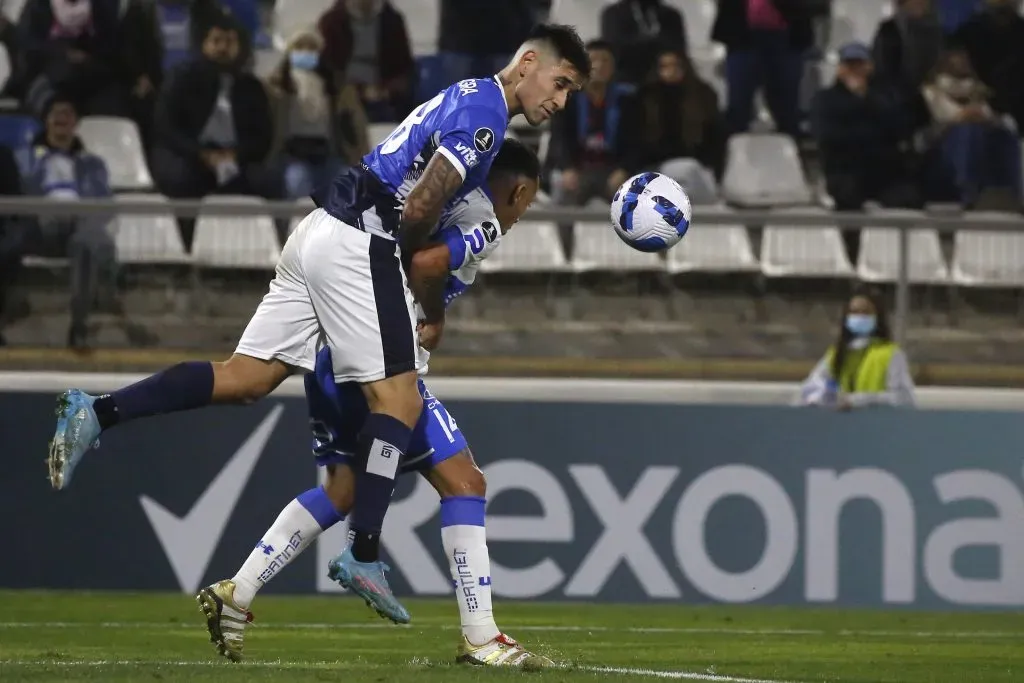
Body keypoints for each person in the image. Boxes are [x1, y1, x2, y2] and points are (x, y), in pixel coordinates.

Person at [49, 23, 590, 626]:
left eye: (571, 93)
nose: (560, 101)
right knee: (400, 399)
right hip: (362, 239)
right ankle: (362, 554)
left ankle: (98, 412)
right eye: (561, 83)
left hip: (319, 231)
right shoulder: (487, 115)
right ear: (529, 61)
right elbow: (418, 206)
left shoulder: (465, 94)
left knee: (245, 378)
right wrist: (393, 264)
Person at [196, 139, 545, 668]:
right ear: (518, 191)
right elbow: (427, 264)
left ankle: (236, 594)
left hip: (331, 354)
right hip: (375, 361)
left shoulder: (435, 196)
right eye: (527, 203)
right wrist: (435, 314)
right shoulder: (483, 220)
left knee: (341, 491)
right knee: (465, 483)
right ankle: (481, 636)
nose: (522, 215)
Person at [17, 93, 117, 349]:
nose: (61, 117)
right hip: (41, 227)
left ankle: (79, 326)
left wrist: (82, 215)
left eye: (68, 113)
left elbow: (104, 204)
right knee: (90, 236)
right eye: (55, 113)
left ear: (76, 123)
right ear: (46, 121)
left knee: (86, 239)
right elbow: (20, 197)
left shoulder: (93, 164)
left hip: (79, 225)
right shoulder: (26, 159)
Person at [265, 29, 370, 200]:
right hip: (293, 154)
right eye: (300, 46)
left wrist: (360, 157)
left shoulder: (337, 87)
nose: (306, 51)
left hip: (328, 153)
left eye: (311, 47)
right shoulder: (276, 85)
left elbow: (355, 125)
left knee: (347, 185)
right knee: (297, 183)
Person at [796, 289, 916, 409]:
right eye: (854, 312)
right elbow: (809, 389)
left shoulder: (890, 354)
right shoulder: (835, 354)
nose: (860, 316)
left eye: (866, 312)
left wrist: (862, 400)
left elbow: (904, 399)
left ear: (877, 317)